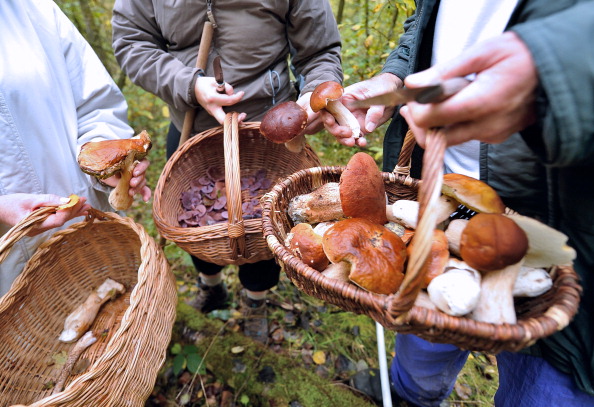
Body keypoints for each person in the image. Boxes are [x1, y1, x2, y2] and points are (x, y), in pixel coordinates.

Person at [323, 0, 594, 405]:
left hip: (559, 214)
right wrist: (396, 76)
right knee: (424, 338)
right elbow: (426, 21)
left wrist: (552, 70)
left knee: (543, 384)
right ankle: (411, 393)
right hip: (434, 184)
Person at [110, 0, 343, 343]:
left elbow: (320, 48)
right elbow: (132, 42)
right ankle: (212, 287)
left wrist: (314, 94)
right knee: (195, 226)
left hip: (272, 127)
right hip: (192, 125)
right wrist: (187, 85)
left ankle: (256, 301)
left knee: (266, 229)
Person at [0, 0, 151, 297]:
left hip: (85, 227)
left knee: (113, 316)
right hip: (7, 266)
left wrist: (105, 162)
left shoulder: (31, 9)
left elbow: (94, 104)